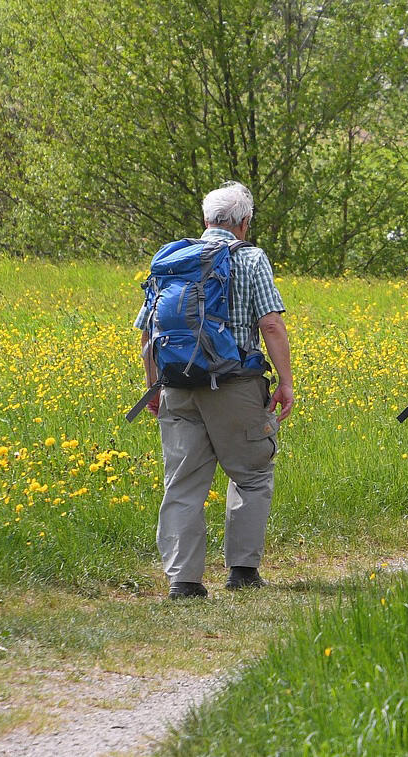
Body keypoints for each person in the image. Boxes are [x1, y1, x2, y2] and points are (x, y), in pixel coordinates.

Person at [136, 181, 294, 599]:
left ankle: (183, 581)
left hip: (177, 386)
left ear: (205, 220)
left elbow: (148, 332)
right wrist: (286, 382)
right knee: (252, 474)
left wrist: (153, 386)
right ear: (244, 223)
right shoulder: (251, 258)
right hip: (235, 385)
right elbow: (271, 324)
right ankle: (242, 571)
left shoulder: (172, 260)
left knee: (183, 483)